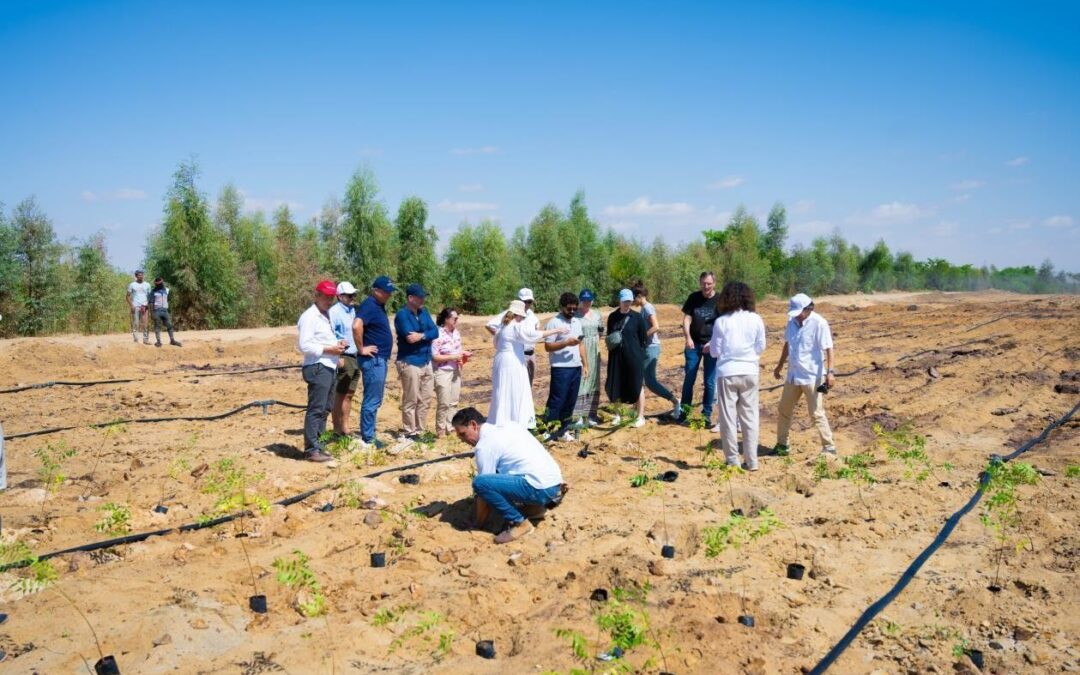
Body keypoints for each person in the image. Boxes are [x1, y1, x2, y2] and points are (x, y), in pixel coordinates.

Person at [451, 407, 566, 544]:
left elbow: (483, 492)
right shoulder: (510, 426)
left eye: (463, 434)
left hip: (539, 488)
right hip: (554, 484)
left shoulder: (484, 445)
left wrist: (477, 524)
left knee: (480, 483)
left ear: (474, 425)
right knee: (501, 473)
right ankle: (536, 509)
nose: (462, 439)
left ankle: (520, 523)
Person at [706, 281, 766, 470]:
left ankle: (732, 460)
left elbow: (714, 352)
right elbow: (760, 347)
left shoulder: (721, 321)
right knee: (750, 417)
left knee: (728, 418)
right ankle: (752, 460)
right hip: (749, 371)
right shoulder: (756, 319)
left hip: (727, 372)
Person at [773, 293, 837, 456]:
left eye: (799, 312)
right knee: (784, 409)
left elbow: (828, 348)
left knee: (816, 412)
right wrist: (779, 365)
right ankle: (782, 445)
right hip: (793, 375)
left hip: (812, 376)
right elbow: (788, 344)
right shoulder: (792, 322)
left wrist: (830, 373)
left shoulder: (819, 323)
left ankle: (829, 447)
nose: (797, 316)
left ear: (808, 309)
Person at [490, 299, 567, 429]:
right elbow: (533, 335)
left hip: (501, 360)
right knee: (517, 388)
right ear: (519, 315)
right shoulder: (515, 326)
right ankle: (516, 420)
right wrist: (556, 330)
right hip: (512, 361)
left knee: (502, 389)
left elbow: (496, 344)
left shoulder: (502, 326)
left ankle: (502, 417)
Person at [297, 280, 349, 462]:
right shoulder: (309, 317)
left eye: (331, 298)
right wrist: (330, 350)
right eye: (326, 297)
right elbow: (304, 345)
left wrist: (337, 345)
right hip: (318, 366)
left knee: (326, 407)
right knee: (316, 408)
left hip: (329, 365)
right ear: (317, 296)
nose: (329, 301)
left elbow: (322, 340)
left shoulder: (325, 315)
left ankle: (319, 445)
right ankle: (311, 449)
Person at [352, 276, 396, 448]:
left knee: (375, 399)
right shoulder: (369, 305)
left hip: (379, 360)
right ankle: (368, 438)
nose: (389, 295)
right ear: (376, 290)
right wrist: (361, 348)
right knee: (372, 399)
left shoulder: (378, 305)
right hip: (373, 360)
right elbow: (356, 326)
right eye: (386, 292)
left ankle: (369, 434)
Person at [394, 284, 439, 440]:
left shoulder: (424, 312)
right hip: (410, 361)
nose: (423, 299)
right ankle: (409, 431)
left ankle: (420, 430)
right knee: (411, 398)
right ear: (410, 298)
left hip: (426, 361)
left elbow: (435, 331)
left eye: (423, 296)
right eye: (420, 297)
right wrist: (425, 335)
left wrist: (422, 335)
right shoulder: (402, 315)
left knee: (426, 398)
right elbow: (410, 338)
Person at [543, 292, 587, 441]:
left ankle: (563, 430)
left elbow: (581, 345)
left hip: (575, 367)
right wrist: (566, 343)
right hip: (560, 367)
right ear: (562, 307)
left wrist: (585, 364)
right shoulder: (554, 323)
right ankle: (547, 429)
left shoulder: (577, 322)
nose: (572, 311)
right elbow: (548, 346)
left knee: (570, 401)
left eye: (575, 309)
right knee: (557, 400)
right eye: (569, 309)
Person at [632, 282, 680, 417]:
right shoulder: (643, 309)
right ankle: (637, 409)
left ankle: (676, 401)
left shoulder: (648, 308)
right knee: (641, 379)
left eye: (634, 298)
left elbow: (656, 326)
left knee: (650, 382)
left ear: (639, 296)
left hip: (651, 348)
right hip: (646, 348)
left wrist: (642, 337)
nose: (632, 301)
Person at [679, 271, 720, 423]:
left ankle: (706, 415)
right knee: (689, 377)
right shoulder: (694, 297)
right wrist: (687, 337)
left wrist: (714, 342)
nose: (706, 286)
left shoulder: (720, 300)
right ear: (700, 282)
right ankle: (684, 412)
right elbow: (687, 318)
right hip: (693, 344)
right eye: (703, 283)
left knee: (709, 381)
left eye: (709, 283)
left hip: (712, 345)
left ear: (714, 284)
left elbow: (723, 324)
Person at [605, 289, 649, 427]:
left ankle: (640, 416)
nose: (626, 304)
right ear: (619, 300)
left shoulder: (637, 317)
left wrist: (637, 354)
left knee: (638, 384)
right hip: (616, 357)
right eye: (624, 301)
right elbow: (610, 336)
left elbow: (643, 338)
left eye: (629, 301)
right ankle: (617, 415)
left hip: (634, 357)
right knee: (615, 384)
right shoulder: (612, 317)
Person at [431, 307, 472, 438]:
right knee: (443, 401)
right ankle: (440, 429)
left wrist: (462, 354)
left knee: (453, 401)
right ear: (446, 319)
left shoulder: (456, 333)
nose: (457, 320)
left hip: (455, 370)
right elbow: (434, 356)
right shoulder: (437, 334)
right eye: (455, 318)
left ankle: (451, 426)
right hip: (442, 371)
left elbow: (457, 351)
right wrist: (454, 357)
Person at [487, 288, 540, 386]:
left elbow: (536, 330)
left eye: (530, 302)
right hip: (515, 355)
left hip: (530, 355)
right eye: (525, 302)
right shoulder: (509, 313)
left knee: (528, 386)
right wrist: (503, 337)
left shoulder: (532, 316)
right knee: (514, 385)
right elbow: (490, 325)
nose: (527, 304)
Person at [329, 281, 359, 436]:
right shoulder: (334, 312)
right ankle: (336, 428)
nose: (352, 297)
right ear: (339, 296)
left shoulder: (353, 311)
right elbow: (329, 334)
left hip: (355, 357)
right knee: (339, 394)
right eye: (348, 295)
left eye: (353, 294)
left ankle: (345, 427)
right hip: (344, 357)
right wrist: (337, 356)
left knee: (349, 394)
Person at [572, 288, 604, 427]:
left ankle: (591, 414)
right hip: (581, 348)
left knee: (594, 381)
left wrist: (597, 339)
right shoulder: (576, 316)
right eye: (584, 301)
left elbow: (601, 329)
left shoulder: (597, 314)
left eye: (589, 301)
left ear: (592, 300)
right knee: (582, 381)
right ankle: (578, 416)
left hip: (595, 350)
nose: (587, 303)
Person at [149, 277, 182, 347]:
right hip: (157, 311)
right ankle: (158, 342)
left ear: (162, 283)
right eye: (158, 284)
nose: (159, 285)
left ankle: (172, 340)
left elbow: (169, 300)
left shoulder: (167, 290)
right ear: (155, 284)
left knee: (169, 325)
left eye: (160, 283)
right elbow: (151, 303)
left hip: (165, 311)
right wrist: (152, 313)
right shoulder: (153, 291)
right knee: (157, 326)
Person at [127, 269, 151, 344]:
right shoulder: (132, 285)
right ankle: (136, 340)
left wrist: (147, 304)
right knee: (135, 324)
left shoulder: (147, 284)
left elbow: (150, 296)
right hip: (135, 307)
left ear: (143, 275)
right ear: (136, 276)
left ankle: (145, 340)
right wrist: (132, 305)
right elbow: (127, 297)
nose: (141, 276)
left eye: (142, 274)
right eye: (139, 275)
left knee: (145, 324)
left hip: (144, 307)